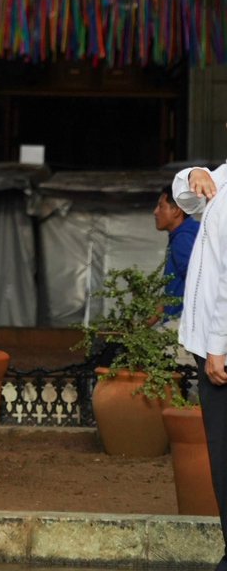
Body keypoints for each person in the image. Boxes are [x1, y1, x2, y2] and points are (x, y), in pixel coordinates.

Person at [173, 160, 227, 571]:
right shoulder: (224, 175)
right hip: (208, 341)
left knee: (224, 456)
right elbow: (185, 197)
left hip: (219, 348)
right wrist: (194, 172)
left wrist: (218, 347)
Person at [153, 183, 199, 321]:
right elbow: (170, 294)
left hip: (183, 323)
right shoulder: (191, 232)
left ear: (176, 210)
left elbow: (198, 280)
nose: (155, 212)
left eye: (161, 206)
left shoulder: (183, 238)